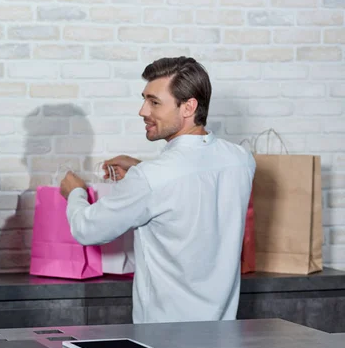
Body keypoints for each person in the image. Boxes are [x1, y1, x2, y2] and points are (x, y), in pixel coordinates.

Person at [60, 57, 256, 324]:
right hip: (222, 334)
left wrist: (75, 192)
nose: (142, 111)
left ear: (188, 107)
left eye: (154, 102)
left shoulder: (152, 178)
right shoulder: (241, 160)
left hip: (165, 340)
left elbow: (87, 229)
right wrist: (142, 170)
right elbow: (193, 183)